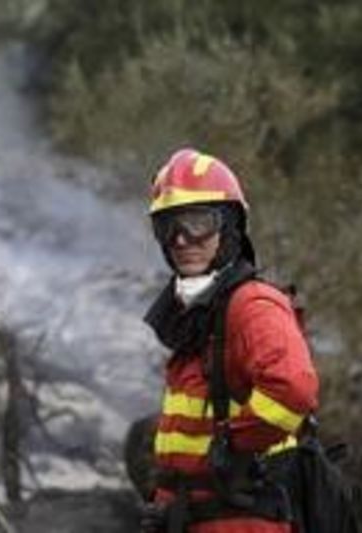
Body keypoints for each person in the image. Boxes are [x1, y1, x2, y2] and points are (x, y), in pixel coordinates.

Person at [139, 147, 319, 533]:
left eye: (197, 222)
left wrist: (232, 446)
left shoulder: (251, 303)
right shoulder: (199, 314)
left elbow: (293, 390)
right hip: (196, 517)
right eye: (168, 226)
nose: (181, 239)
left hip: (239, 521)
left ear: (230, 227)